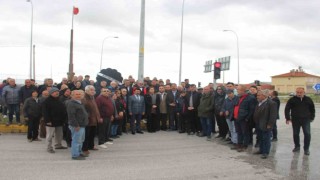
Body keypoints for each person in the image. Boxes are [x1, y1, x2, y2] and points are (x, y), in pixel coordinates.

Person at [285, 87, 315, 156]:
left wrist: (312, 117)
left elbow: (312, 109)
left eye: (300, 92)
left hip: (306, 119)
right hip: (295, 120)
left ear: (304, 92)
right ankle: (297, 146)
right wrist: (288, 118)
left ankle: (306, 149)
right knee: (295, 134)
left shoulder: (308, 99)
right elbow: (287, 109)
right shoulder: (292, 100)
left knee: (307, 134)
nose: (299, 94)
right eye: (297, 92)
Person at [42, 87, 68, 153]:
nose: (56, 93)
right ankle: (49, 147)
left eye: (57, 91)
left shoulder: (59, 100)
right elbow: (45, 112)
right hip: (50, 121)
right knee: (50, 135)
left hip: (59, 121)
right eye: (54, 92)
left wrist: (64, 119)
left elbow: (63, 110)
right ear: (51, 93)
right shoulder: (47, 101)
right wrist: (47, 121)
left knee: (59, 134)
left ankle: (58, 145)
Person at [253, 90, 277, 159]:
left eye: (258, 95)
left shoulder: (271, 103)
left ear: (264, 96)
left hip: (266, 124)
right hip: (258, 124)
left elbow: (273, 115)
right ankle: (261, 150)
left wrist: (270, 124)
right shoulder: (259, 102)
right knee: (260, 138)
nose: (257, 97)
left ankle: (265, 152)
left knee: (266, 138)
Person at [66, 90, 88, 160]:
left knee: (81, 140)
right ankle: (75, 155)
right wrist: (76, 125)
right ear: (72, 96)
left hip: (82, 125)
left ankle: (79, 152)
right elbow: (71, 116)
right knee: (76, 140)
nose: (78, 95)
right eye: (76, 94)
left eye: (79, 94)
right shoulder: (71, 104)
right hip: (77, 125)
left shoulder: (79, 103)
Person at [233, 85, 256, 152]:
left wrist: (247, 118)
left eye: (238, 90)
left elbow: (252, 110)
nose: (237, 91)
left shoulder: (250, 98)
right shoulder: (238, 97)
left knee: (245, 133)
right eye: (237, 90)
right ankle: (239, 144)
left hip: (244, 119)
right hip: (237, 118)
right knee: (238, 132)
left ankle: (245, 145)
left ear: (243, 90)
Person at [82, 85, 101, 154]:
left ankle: (91, 146)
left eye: (94, 90)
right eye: (91, 90)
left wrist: (98, 117)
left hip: (94, 119)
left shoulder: (92, 97)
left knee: (92, 134)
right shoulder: (84, 98)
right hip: (87, 120)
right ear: (86, 91)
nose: (93, 91)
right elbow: (83, 109)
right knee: (86, 135)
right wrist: (88, 116)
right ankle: (84, 148)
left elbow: (95, 109)